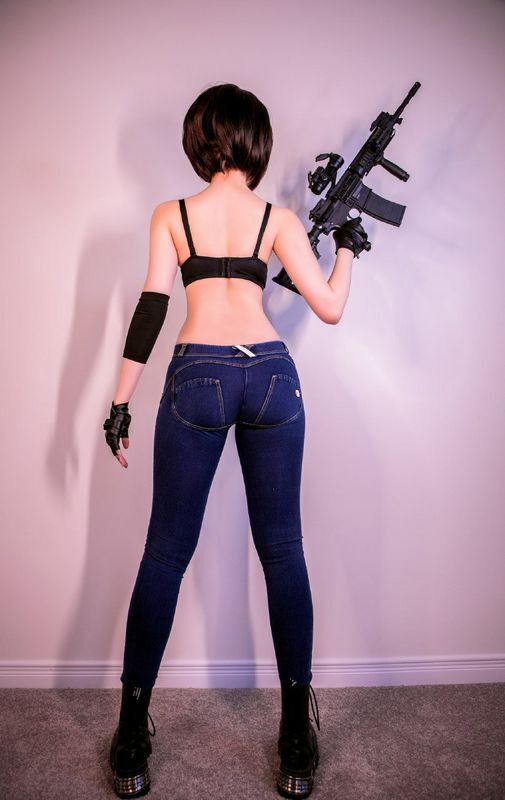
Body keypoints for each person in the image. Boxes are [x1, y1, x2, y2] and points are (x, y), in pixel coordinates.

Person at [103, 82, 370, 799]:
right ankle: (296, 737)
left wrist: (120, 403)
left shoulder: (172, 215)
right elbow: (329, 307)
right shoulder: (277, 219)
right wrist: (348, 249)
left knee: (165, 554)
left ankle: (130, 739)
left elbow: (151, 309)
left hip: (198, 376)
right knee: (283, 551)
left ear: (200, 140)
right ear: (255, 142)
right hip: (273, 376)